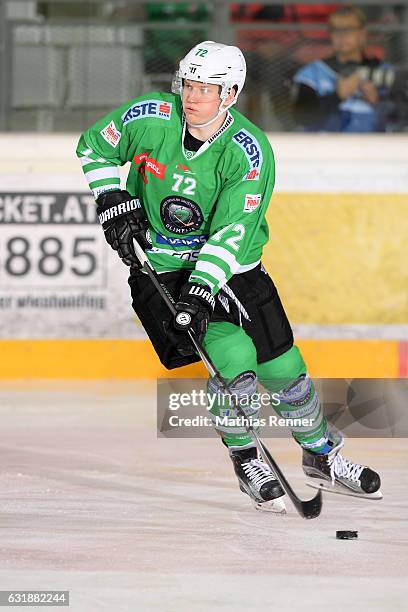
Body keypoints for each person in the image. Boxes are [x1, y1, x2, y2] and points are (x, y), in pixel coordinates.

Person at [77, 40, 381, 511]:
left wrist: (203, 287)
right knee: (233, 359)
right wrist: (112, 199)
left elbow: (232, 233)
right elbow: (93, 148)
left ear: (231, 94)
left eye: (207, 88)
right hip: (160, 269)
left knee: (284, 369)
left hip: (233, 267)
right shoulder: (150, 117)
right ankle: (246, 460)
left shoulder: (249, 152)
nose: (193, 96)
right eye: (189, 84)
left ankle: (321, 454)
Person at [292, 4, 394, 132]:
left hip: (378, 148)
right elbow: (301, 118)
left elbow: (401, 120)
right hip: (324, 149)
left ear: (363, 33)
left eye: (349, 29)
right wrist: (337, 96)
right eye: (336, 30)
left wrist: (377, 101)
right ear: (330, 35)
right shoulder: (310, 74)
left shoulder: (386, 71)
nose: (342, 36)